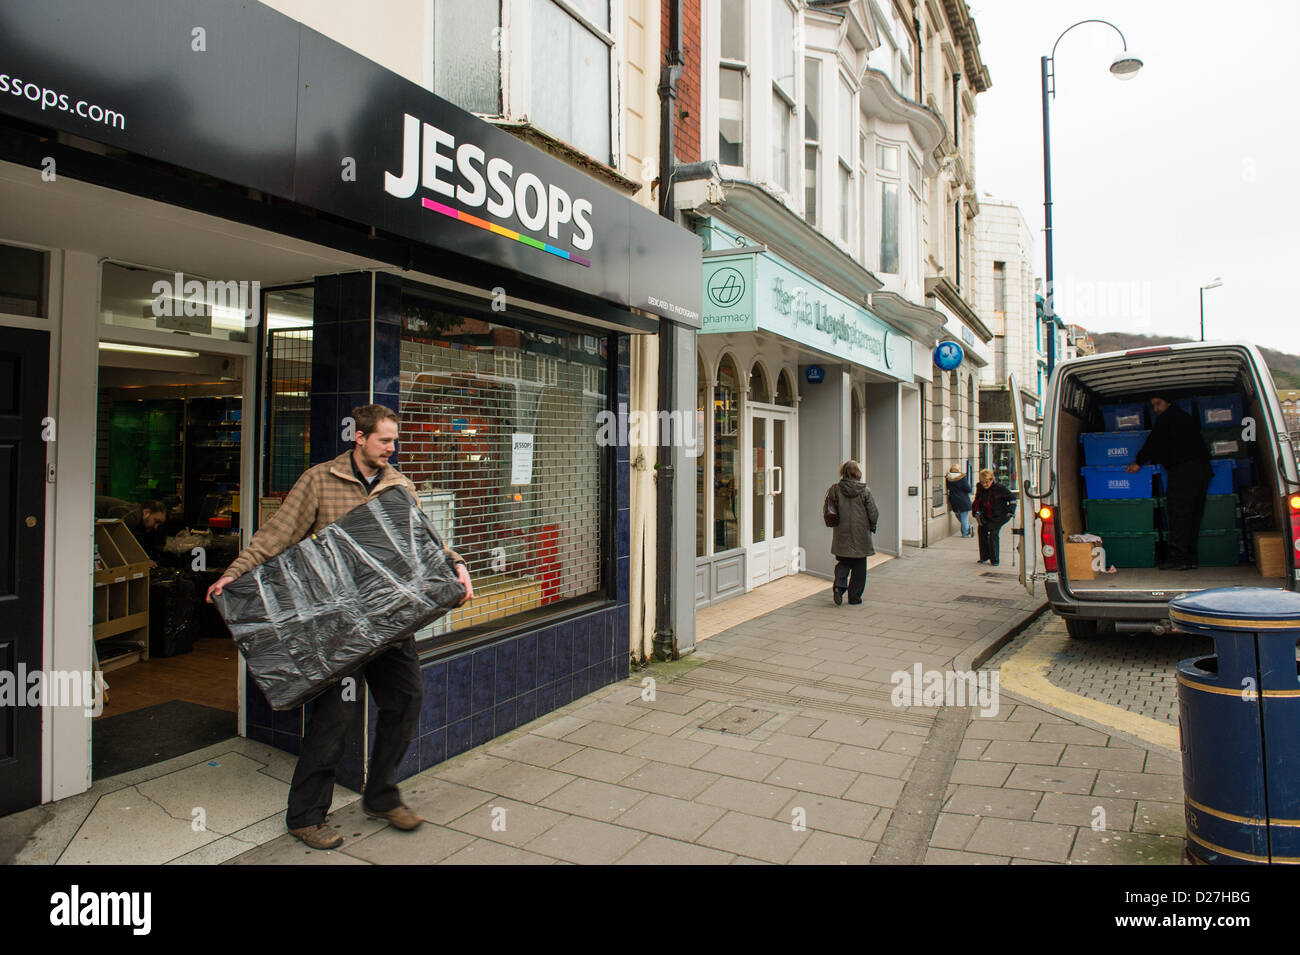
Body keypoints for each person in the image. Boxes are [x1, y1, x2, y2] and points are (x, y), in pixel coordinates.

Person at [205, 404, 472, 851]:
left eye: (394, 440)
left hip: (391, 622)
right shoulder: (320, 480)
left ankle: (381, 795)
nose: (392, 447)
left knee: (406, 702)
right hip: (337, 631)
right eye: (385, 440)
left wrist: (457, 565)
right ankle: (306, 816)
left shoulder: (399, 485)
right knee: (334, 719)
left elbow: (429, 541)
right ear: (360, 438)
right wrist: (235, 572)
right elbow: (278, 533)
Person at [1125, 395, 1211, 570]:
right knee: (1194, 514)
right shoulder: (1185, 418)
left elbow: (1153, 442)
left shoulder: (1167, 419)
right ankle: (1191, 558)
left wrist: (1138, 462)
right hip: (1202, 470)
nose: (1155, 409)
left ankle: (1179, 558)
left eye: (1158, 404)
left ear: (1168, 403)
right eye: (1153, 405)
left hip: (1184, 471)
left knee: (1179, 513)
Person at [829, 460, 879, 606]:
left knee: (843, 562)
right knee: (859, 567)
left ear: (843, 472)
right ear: (857, 473)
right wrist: (873, 525)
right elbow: (873, 512)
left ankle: (839, 586)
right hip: (861, 533)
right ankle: (854, 597)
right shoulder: (865, 490)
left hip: (842, 532)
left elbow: (829, 509)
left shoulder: (835, 489)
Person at [972, 468, 1015, 565]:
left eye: (987, 482)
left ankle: (994, 559)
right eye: (983, 482)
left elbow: (1012, 498)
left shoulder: (999, 488)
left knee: (993, 535)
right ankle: (984, 556)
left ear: (991, 480)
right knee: (982, 532)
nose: (985, 485)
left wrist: (1010, 511)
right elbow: (977, 500)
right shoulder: (980, 488)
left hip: (998, 516)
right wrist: (975, 511)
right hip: (985, 515)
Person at [945, 465, 973, 538]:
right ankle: (966, 532)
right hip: (963, 499)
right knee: (964, 517)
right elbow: (968, 489)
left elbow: (948, 488)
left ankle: (968, 527)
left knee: (958, 515)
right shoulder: (962, 478)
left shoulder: (948, 478)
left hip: (954, 499)